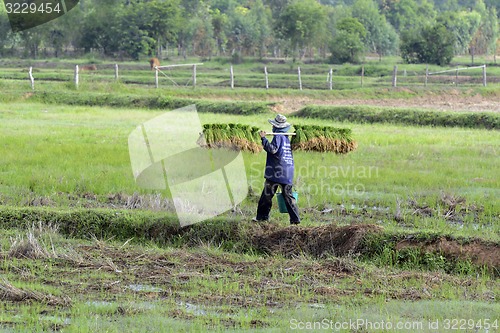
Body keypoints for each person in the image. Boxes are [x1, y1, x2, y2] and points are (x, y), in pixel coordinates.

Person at [253, 114, 300, 224]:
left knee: (266, 196)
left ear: (276, 127)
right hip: (287, 172)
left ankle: (262, 217)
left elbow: (273, 150)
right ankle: (295, 220)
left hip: (276, 172)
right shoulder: (286, 138)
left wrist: (263, 139)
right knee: (289, 197)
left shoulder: (278, 136)